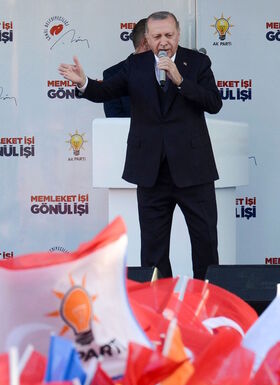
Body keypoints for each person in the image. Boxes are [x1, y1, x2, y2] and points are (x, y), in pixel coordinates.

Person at [58, 11, 223, 280]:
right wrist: (85, 83)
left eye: (169, 35)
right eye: (157, 36)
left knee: (205, 245)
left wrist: (180, 80)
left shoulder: (198, 63)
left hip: (194, 170)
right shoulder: (134, 66)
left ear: (178, 34)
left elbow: (213, 103)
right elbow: (106, 91)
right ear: (147, 38)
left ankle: (207, 306)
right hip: (151, 172)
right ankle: (160, 309)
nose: (164, 42)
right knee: (153, 251)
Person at [103, 19, 149, 118]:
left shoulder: (172, 71)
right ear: (146, 42)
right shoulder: (112, 75)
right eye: (158, 37)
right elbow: (115, 120)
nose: (164, 43)